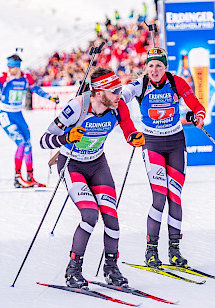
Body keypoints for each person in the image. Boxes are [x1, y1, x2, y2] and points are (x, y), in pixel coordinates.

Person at [40, 67, 144, 288]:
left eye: (119, 89)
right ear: (99, 93)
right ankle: (73, 270)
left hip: (97, 164)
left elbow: (129, 129)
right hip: (72, 165)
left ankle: (111, 268)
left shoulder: (118, 105)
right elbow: (44, 140)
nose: (119, 93)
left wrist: (134, 137)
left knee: (112, 218)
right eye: (114, 90)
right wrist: (67, 136)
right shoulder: (77, 107)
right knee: (90, 215)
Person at [121, 47, 205, 268]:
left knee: (175, 196)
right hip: (152, 145)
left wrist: (199, 114)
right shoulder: (140, 84)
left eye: (159, 65)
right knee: (159, 197)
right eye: (151, 66)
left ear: (165, 67)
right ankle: (151, 251)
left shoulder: (176, 82)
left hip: (176, 143)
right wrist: (130, 131)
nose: (155, 70)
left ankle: (174, 250)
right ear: (146, 68)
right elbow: (120, 100)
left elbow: (195, 104)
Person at [0, 54, 59, 188]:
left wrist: (50, 98)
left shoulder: (25, 78)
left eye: (11, 66)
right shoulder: (4, 77)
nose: (8, 68)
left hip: (18, 114)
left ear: (17, 67)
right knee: (21, 143)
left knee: (28, 144)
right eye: (8, 66)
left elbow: (36, 89)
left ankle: (30, 176)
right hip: (6, 115)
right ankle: (17, 178)